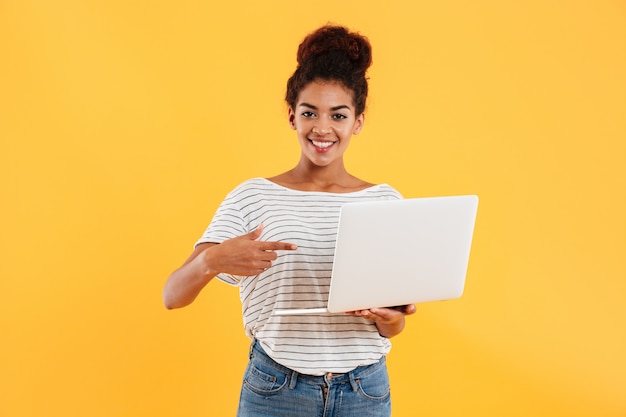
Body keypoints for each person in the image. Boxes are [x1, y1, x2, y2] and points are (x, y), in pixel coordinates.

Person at [163, 24, 416, 417]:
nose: (322, 128)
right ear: (291, 116)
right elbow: (172, 296)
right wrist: (212, 261)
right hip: (277, 390)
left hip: (364, 392)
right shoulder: (253, 197)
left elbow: (393, 327)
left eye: (339, 115)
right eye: (309, 112)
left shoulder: (386, 202)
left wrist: (390, 320)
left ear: (358, 121)